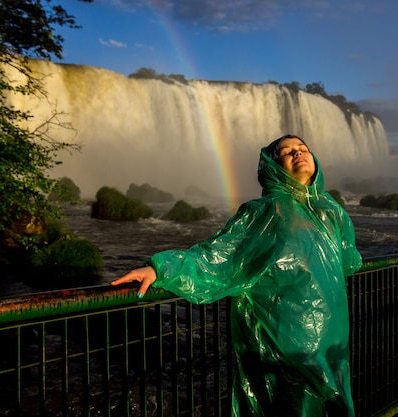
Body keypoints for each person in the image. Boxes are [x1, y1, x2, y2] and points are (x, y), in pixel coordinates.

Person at [111, 134, 363, 416]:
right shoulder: (265, 213)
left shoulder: (330, 211)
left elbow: (347, 260)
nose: (298, 153)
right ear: (273, 166)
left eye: (303, 149)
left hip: (332, 342)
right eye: (286, 152)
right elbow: (217, 258)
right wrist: (160, 269)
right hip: (284, 344)